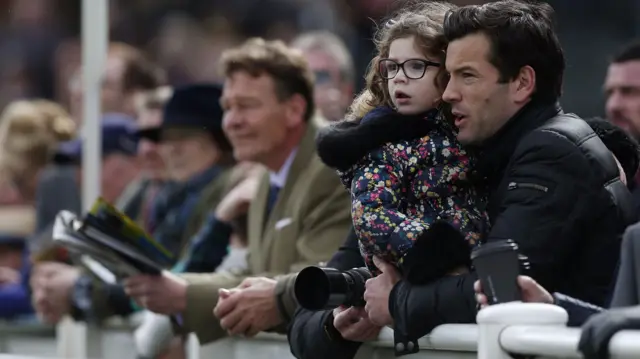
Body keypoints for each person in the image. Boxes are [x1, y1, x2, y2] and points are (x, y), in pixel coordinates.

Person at [317, 0, 633, 356]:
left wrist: (397, 299)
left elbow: (501, 288)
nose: (449, 92)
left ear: (521, 83)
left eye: (467, 76)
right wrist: (336, 321)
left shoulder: (549, 153)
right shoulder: (463, 160)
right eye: (449, 76)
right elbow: (317, 308)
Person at [123, 38, 351, 345]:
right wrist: (178, 288)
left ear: (294, 109)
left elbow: (319, 280)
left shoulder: (332, 169)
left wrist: (185, 295)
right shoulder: (266, 175)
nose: (231, 122)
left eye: (247, 106)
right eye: (227, 107)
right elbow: (255, 273)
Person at [315, 2, 487, 286]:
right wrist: (436, 254)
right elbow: (372, 217)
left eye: (417, 65)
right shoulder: (380, 143)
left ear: (448, 72)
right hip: (420, 273)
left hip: (472, 273)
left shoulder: (466, 131)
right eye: (392, 67)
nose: (400, 77)